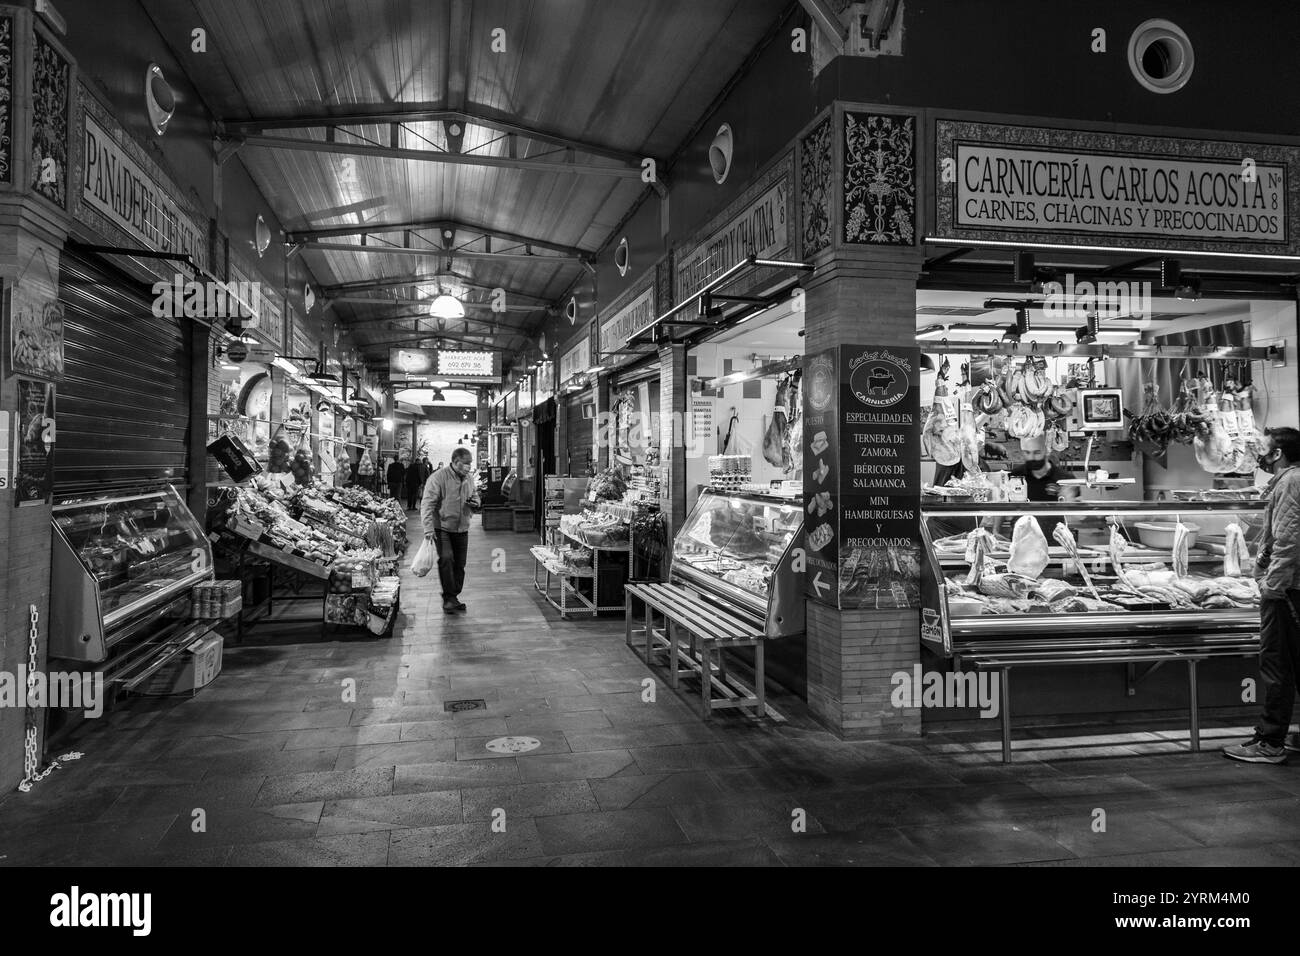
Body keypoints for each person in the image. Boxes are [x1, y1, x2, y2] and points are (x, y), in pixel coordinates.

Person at [1224, 426, 1300, 764]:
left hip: (1287, 591)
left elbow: (1288, 541)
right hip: (1291, 588)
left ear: (1278, 453)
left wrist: (1272, 585)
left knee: (1277, 665)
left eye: (1264, 448)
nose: (1260, 453)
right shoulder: (1287, 482)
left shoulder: (1290, 483)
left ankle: (1270, 743)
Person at [421, 447, 481, 613]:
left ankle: (453, 595)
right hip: (443, 528)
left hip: (463, 528)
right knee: (447, 559)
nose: (469, 467)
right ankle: (449, 598)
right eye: (466, 463)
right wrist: (428, 528)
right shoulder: (438, 477)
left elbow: (474, 495)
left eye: (470, 463)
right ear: (455, 462)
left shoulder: (468, 478)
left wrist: (476, 502)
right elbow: (427, 504)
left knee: (460, 565)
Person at [1007, 433, 1077, 535]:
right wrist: (996, 530)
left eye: (1037, 452)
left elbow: (1077, 516)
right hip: (1021, 537)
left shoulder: (1064, 478)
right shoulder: (1015, 475)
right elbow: (1002, 503)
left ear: (1046, 451)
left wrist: (1070, 501)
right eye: (1027, 452)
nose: (1032, 457)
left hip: (1053, 538)